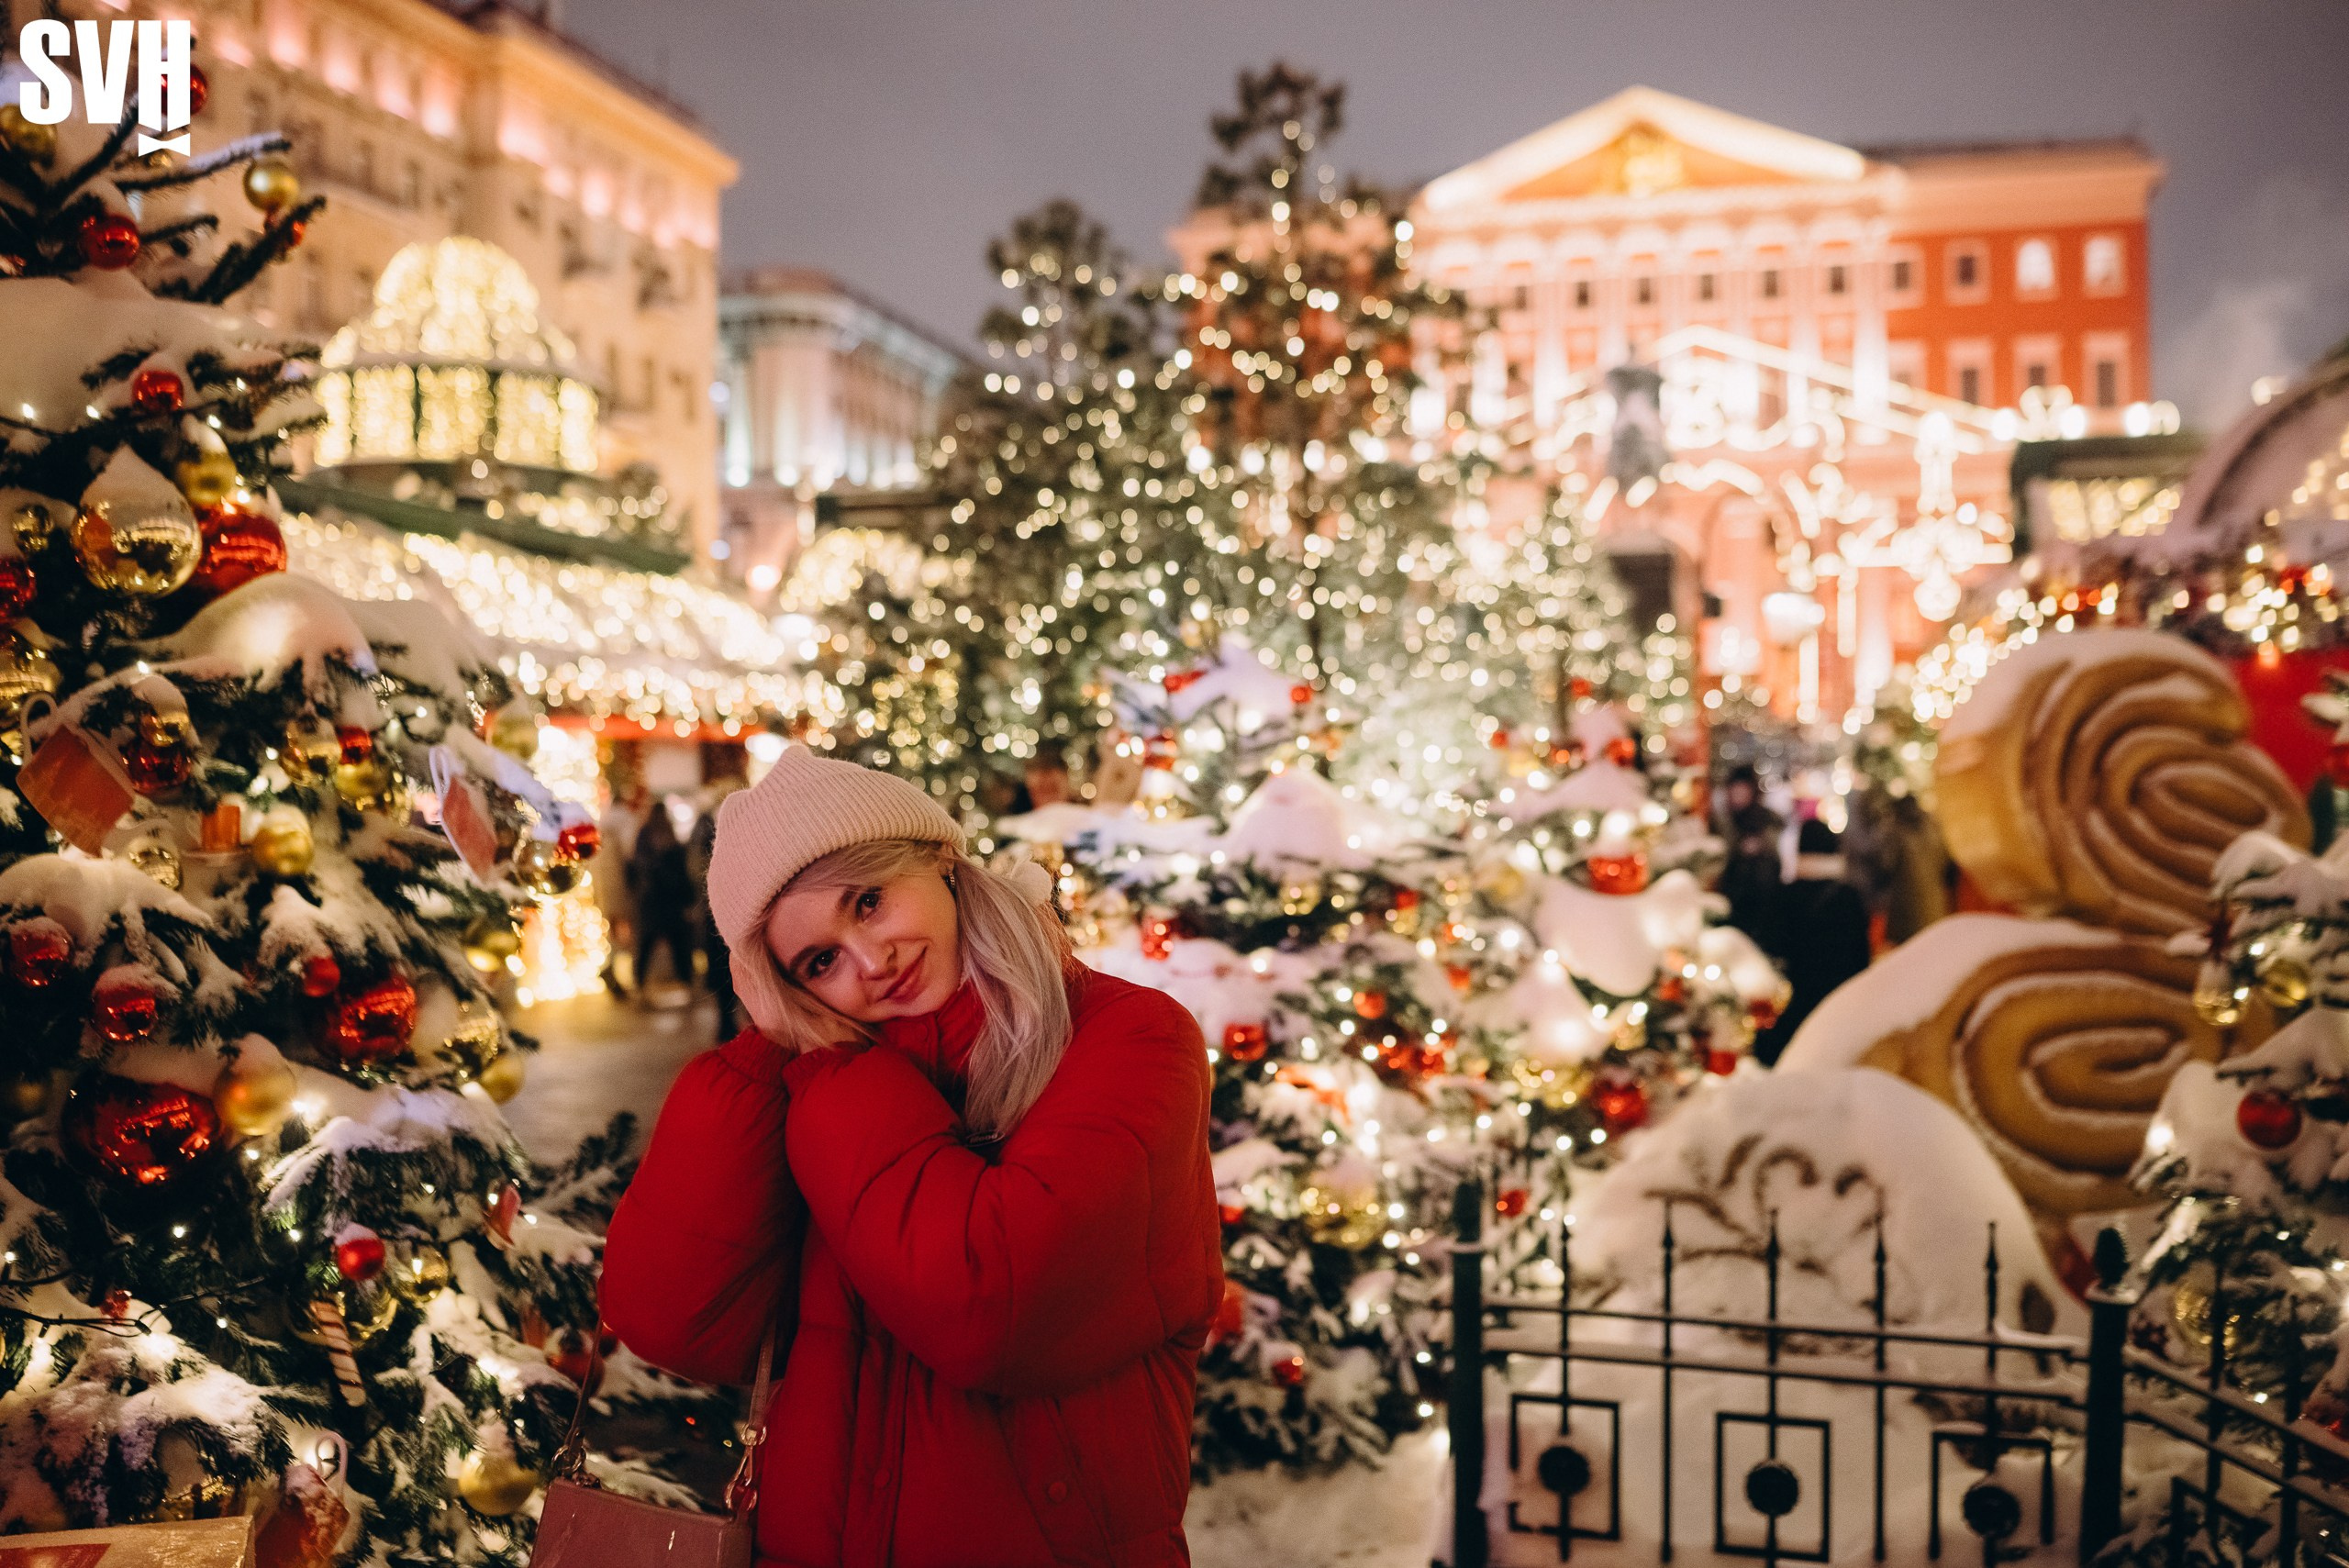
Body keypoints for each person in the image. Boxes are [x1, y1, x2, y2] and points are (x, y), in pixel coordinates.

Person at [600, 750, 1221, 1568]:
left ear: (938, 859)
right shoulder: (809, 1079)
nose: (870, 961)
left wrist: (834, 1074)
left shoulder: (1128, 1035)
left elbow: (989, 1301)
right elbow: (674, 1323)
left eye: (868, 901)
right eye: (817, 961)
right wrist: (764, 1059)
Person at [1752, 818, 1875, 1064]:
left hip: (1794, 1010)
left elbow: (1770, 948)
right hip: (1838, 1008)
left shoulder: (1783, 896)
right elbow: (1862, 958)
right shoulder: (1849, 898)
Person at [689, 776, 746, 1040]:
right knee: (726, 965)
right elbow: (698, 867)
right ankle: (726, 1022)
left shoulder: (708, 824)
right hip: (720, 909)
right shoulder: (710, 826)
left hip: (722, 908)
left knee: (727, 965)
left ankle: (728, 1021)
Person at [627, 802, 696, 998]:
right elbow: (681, 872)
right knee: (676, 945)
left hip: (653, 902)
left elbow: (637, 868)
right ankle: (686, 983)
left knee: (649, 944)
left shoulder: (645, 837)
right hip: (667, 902)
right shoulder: (667, 837)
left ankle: (639, 986)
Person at [1715, 764, 1786, 944]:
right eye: (1734, 790)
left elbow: (1775, 860)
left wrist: (1760, 847)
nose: (1737, 796)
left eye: (1742, 790)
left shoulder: (1766, 820)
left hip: (1762, 899)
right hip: (1730, 895)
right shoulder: (1723, 822)